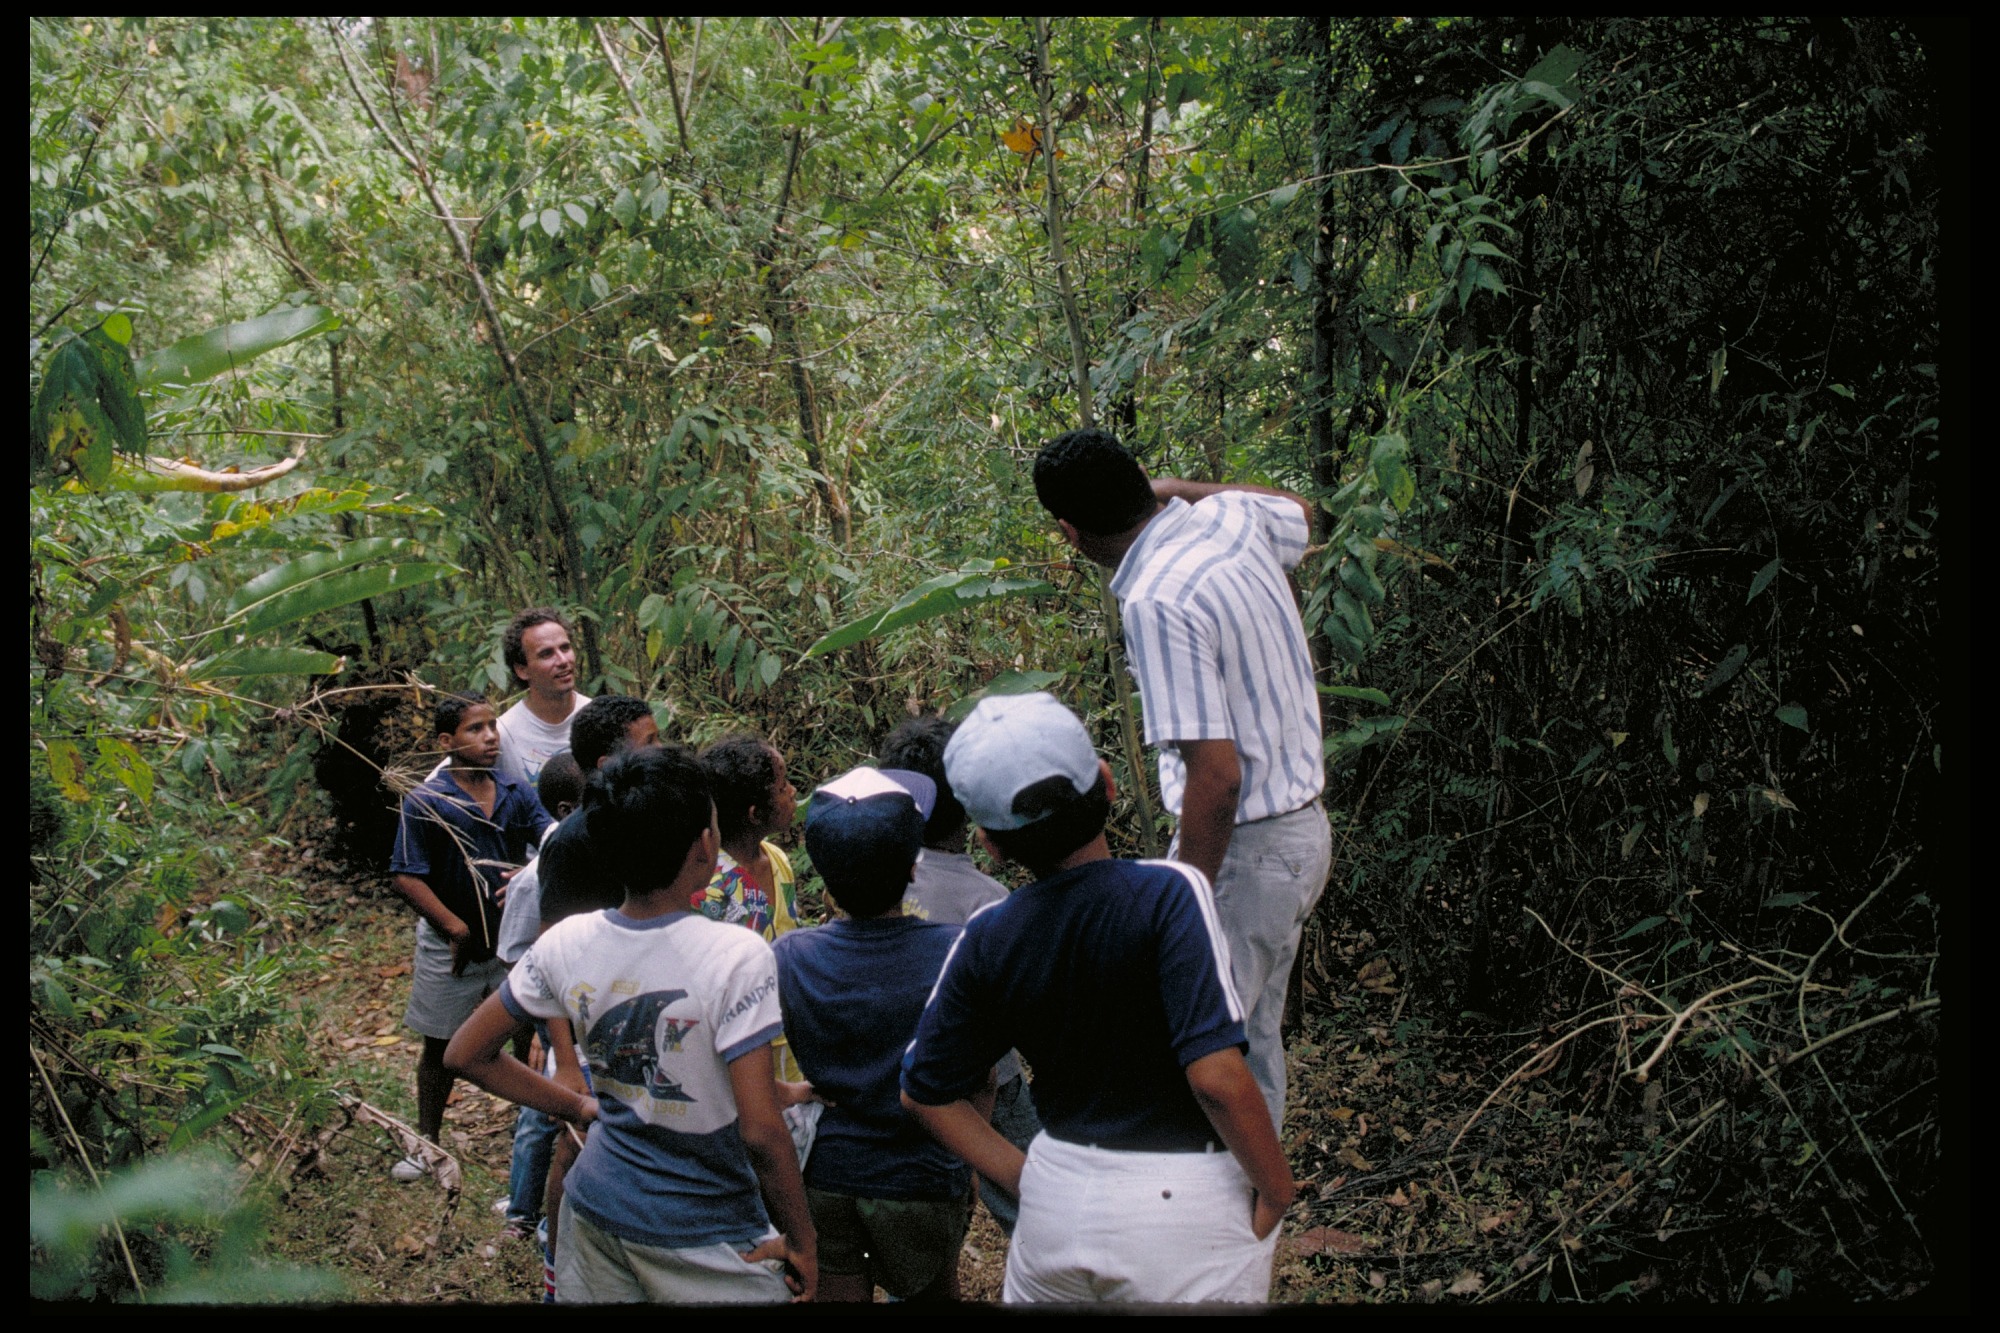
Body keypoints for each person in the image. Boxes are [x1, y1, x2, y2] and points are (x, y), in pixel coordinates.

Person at [901, 692, 1295, 1304]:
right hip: (1183, 1205)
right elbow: (1216, 1077)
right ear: (1108, 786)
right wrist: (1275, 1186)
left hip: (1058, 1204)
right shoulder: (1170, 894)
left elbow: (924, 1092)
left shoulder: (987, 934)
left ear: (991, 844)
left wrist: (1025, 1176)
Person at [1033, 428, 1333, 1131]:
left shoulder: (1157, 599)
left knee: (1195, 1053)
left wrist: (1185, 901)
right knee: (1248, 1036)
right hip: (1299, 834)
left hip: (1248, 852)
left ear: (1071, 532)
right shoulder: (1228, 515)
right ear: (1142, 477)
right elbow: (1301, 511)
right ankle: (1254, 1187)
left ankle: (1212, 1191)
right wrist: (1179, 489)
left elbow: (1217, 776)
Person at [444, 743, 818, 1304]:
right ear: (706, 844)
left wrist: (578, 1108)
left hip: (596, 1212)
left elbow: (465, 1054)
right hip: (707, 1226)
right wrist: (804, 1239)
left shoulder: (567, 941)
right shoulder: (736, 956)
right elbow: (760, 1131)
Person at [774, 765, 972, 1303]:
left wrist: (794, 1091)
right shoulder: (955, 950)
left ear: (822, 873)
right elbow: (977, 1075)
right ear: (913, 867)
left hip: (828, 1174)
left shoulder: (791, 957)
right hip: (923, 1175)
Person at [877, 713, 1040, 1237]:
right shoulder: (988, 901)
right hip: (989, 1076)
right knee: (1033, 1198)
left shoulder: (882, 882)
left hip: (908, 1069)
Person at [388, 692, 552, 1183]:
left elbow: (551, 840)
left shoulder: (514, 791)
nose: (489, 738)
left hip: (511, 942)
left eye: (492, 727)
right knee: (440, 1046)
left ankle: (534, 1132)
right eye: (475, 730)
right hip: (450, 947)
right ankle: (427, 1143)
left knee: (527, 1035)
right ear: (447, 741)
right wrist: (454, 927)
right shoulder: (428, 800)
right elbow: (406, 875)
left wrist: (530, 874)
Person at [492, 750, 585, 1242]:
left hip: (585, 1005)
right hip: (556, 1013)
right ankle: (522, 1215)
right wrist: (542, 1025)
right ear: (568, 810)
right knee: (543, 1111)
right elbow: (518, 956)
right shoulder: (536, 878)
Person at [698, 735, 804, 1080]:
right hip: (742, 1047)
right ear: (755, 814)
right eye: (782, 787)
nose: (792, 792)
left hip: (789, 1032)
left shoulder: (776, 859)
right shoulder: (711, 888)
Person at [493, 608, 591, 787]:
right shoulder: (502, 734)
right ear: (522, 670)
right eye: (546, 654)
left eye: (565, 648)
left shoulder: (599, 718)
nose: (563, 661)